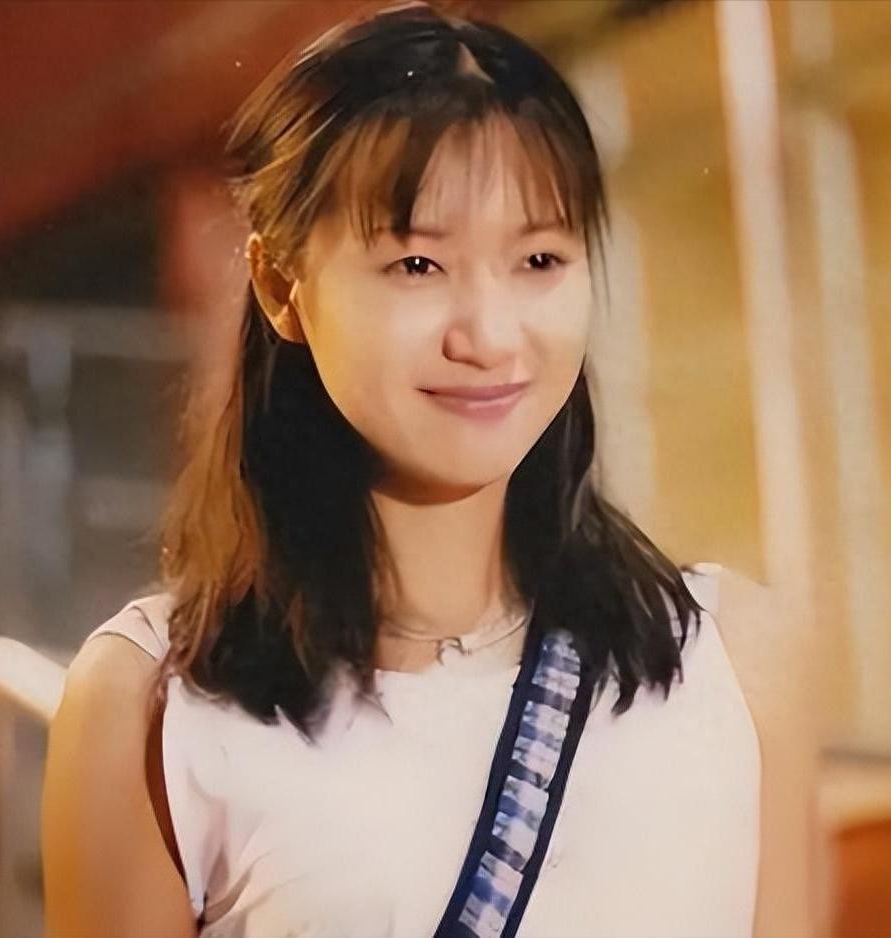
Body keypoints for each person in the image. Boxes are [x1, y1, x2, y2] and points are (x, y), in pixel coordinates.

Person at [41, 3, 814, 936]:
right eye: (417, 264)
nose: (488, 334)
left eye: (539, 258)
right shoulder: (153, 707)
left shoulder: (730, 663)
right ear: (282, 286)